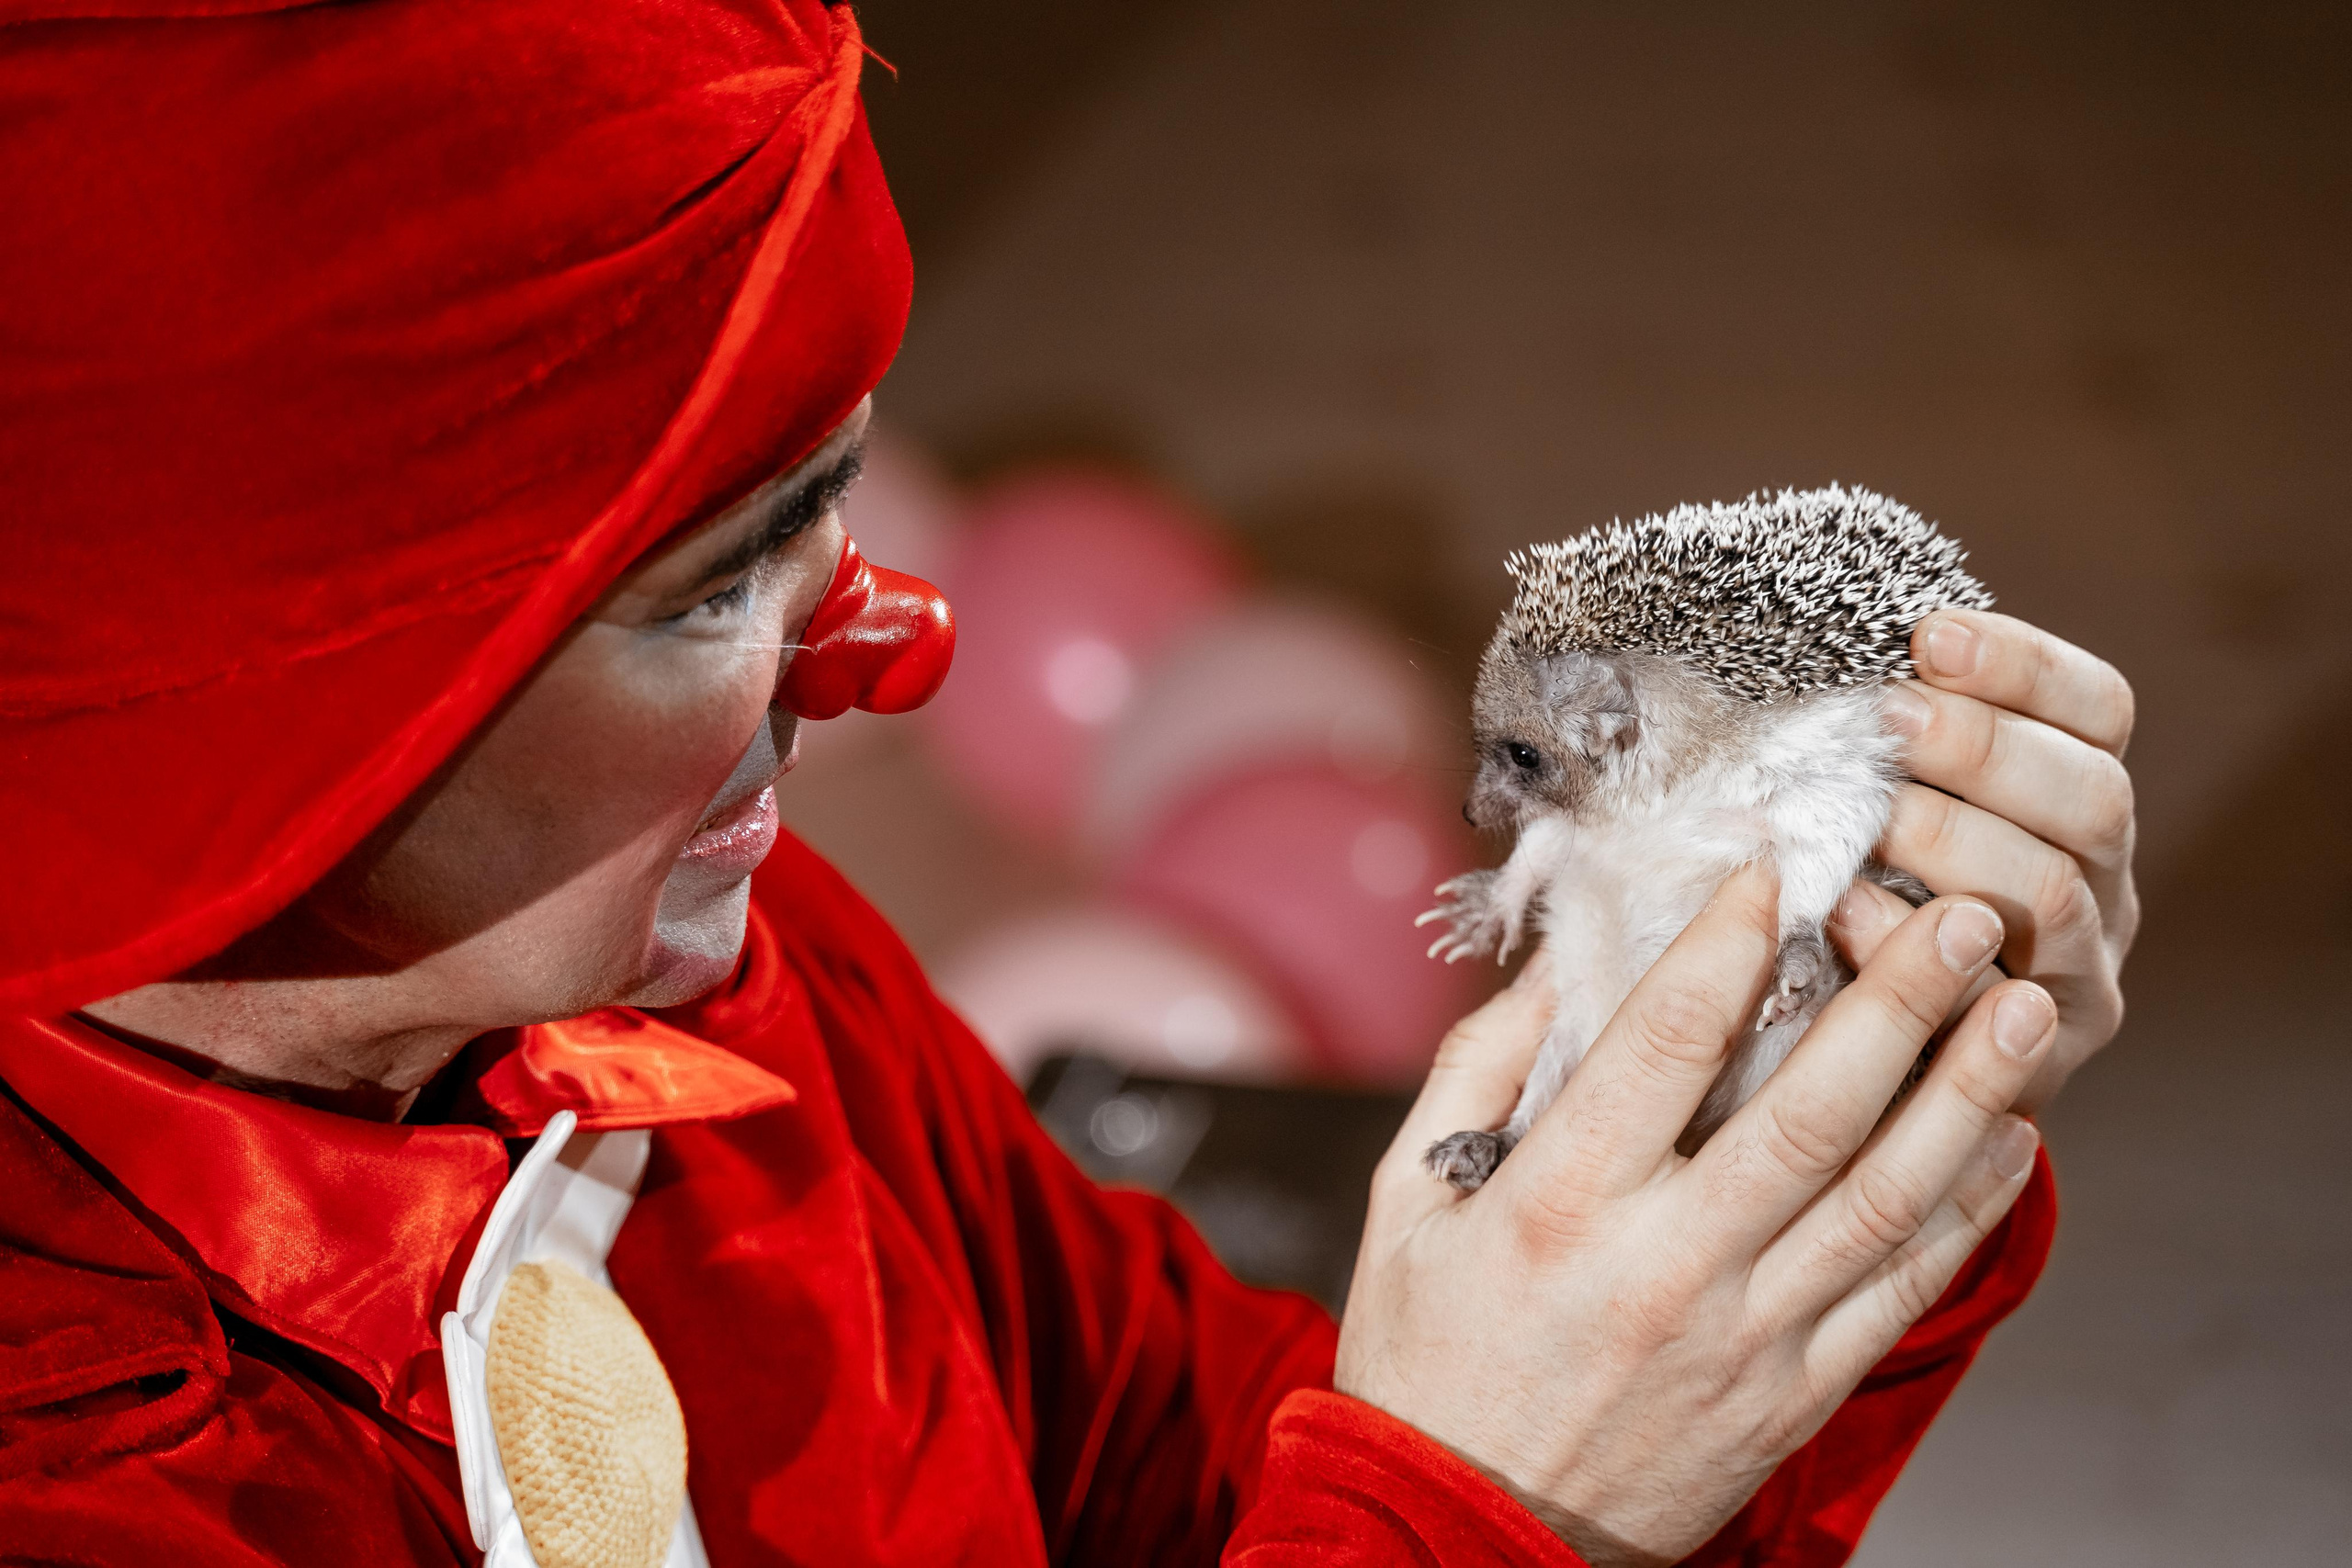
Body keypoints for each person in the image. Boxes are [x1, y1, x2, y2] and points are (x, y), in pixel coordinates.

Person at [0, 3, 2136, 1565]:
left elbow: (1211, 1465)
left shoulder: (740, 1010)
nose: (892, 644)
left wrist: (1777, 1139)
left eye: (826, 517)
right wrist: (1465, 1520)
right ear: (247, 710)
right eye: (707, 587)